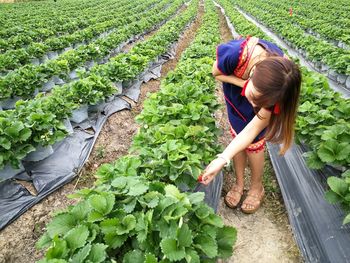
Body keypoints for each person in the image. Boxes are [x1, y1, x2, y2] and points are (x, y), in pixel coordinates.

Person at [199, 36, 302, 214]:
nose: (254, 106)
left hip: (258, 89)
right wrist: (242, 84)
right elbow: (215, 72)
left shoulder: (280, 88)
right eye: (255, 97)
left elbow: (253, 128)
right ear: (253, 74)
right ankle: (239, 183)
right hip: (235, 93)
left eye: (261, 104)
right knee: (237, 134)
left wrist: (221, 159)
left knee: (254, 141)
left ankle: (256, 187)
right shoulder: (236, 54)